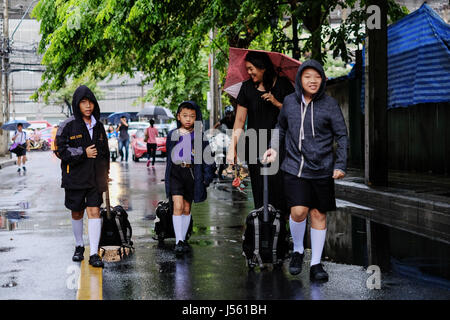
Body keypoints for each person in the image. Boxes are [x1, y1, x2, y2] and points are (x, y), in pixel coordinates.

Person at [263, 60, 348, 282]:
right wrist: (273, 148)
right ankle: (299, 250)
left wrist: (340, 164)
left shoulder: (330, 104)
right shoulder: (290, 102)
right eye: (308, 76)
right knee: (298, 211)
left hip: (322, 169)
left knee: (318, 214)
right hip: (294, 167)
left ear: (323, 80)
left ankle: (317, 264)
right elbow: (280, 127)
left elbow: (342, 135)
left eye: (317, 77)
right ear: (300, 79)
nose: (312, 80)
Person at [226, 51, 294, 213]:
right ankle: (263, 232)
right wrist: (232, 148)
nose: (249, 72)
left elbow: (295, 113)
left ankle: (280, 232)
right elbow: (240, 121)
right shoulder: (247, 88)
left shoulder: (283, 84)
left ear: (263, 67)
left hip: (280, 145)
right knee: (260, 191)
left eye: (251, 68)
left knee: (280, 191)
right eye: (247, 69)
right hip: (255, 145)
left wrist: (277, 103)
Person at [55, 85, 110, 268]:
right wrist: (82, 152)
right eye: (83, 102)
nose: (88, 106)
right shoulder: (67, 125)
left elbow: (105, 153)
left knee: (94, 212)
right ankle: (79, 245)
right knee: (77, 212)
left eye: (90, 102)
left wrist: (106, 175)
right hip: (75, 178)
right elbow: (60, 150)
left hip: (95, 179)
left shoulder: (99, 126)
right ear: (77, 104)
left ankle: (94, 253)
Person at [165, 101, 216, 256]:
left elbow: (208, 159)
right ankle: (178, 241)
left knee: (187, 208)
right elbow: (169, 157)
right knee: (178, 206)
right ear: (178, 116)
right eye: (185, 116)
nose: (188, 119)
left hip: (192, 174)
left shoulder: (200, 137)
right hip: (176, 173)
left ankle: (184, 239)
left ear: (196, 118)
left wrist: (207, 178)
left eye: (192, 116)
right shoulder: (172, 135)